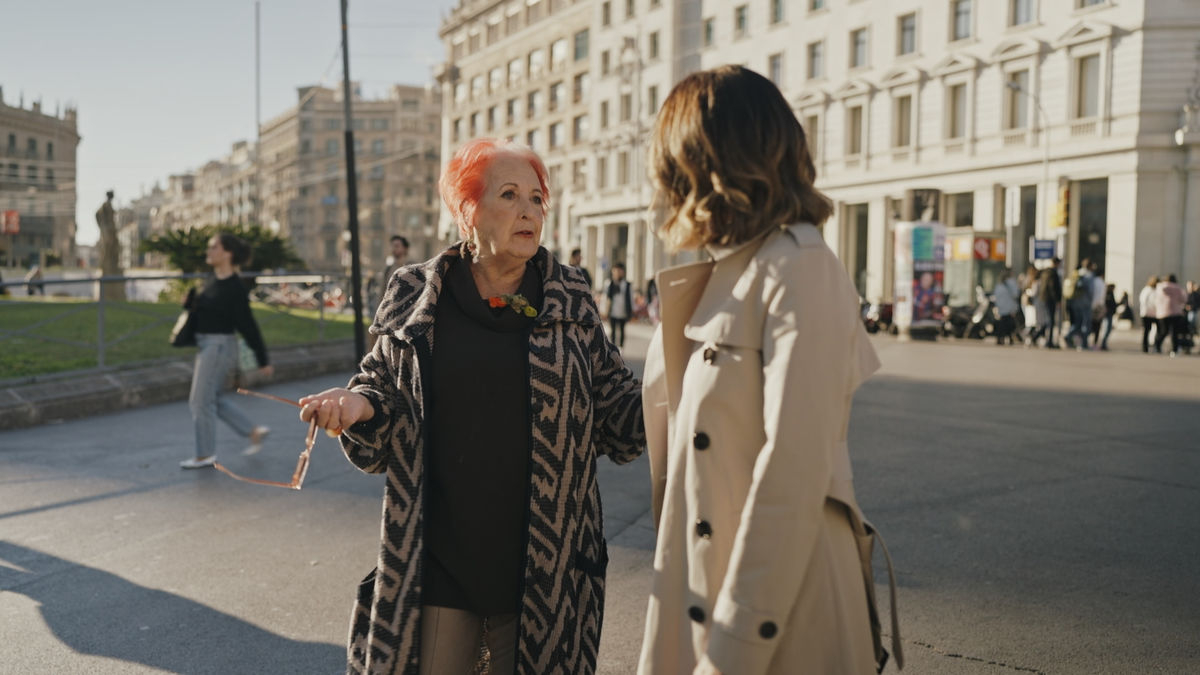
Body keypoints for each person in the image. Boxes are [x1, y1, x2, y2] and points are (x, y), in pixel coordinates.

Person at [297, 138, 645, 675]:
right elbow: (378, 390)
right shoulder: (417, 293)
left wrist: (683, 391)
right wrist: (357, 407)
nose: (529, 210)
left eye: (537, 198)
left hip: (547, 571)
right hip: (437, 559)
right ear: (468, 210)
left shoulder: (570, 296)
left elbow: (618, 412)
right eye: (509, 195)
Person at [638, 65, 898, 675]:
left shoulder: (797, 266)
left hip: (780, 615)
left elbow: (792, 476)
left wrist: (731, 654)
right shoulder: (730, 271)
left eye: (670, 160)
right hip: (708, 590)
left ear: (706, 161)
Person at [180, 233, 273, 469]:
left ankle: (205, 455)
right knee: (212, 398)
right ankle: (253, 431)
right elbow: (207, 311)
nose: (208, 251)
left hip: (219, 347)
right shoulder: (211, 279)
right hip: (206, 345)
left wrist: (263, 359)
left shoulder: (235, 288)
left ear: (227, 253)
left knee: (199, 401)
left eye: (213, 247)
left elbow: (248, 325)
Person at [1154, 273, 1187, 356]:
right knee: (1174, 333)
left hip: (1163, 313)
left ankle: (1157, 346)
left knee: (1163, 331)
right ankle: (1174, 350)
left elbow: (1156, 299)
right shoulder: (1178, 288)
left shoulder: (1160, 287)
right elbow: (1183, 299)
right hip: (1176, 313)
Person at [1063, 258, 1094, 350]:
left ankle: (1069, 335)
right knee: (1085, 324)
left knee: (1077, 323)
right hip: (1085, 303)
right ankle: (1083, 343)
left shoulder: (1077, 273)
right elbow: (1090, 291)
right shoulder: (1089, 276)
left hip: (1075, 303)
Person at [1034, 259, 1063, 348]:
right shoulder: (1053, 273)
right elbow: (1053, 287)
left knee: (1047, 320)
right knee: (1050, 320)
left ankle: (1036, 336)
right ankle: (1049, 341)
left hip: (1043, 298)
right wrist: (1057, 300)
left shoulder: (1045, 273)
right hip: (1050, 299)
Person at [605, 261, 633, 349]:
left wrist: (632, 311)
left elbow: (631, 298)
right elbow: (606, 298)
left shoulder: (627, 284)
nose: (617, 273)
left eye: (619, 270)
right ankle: (613, 348)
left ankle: (621, 348)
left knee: (622, 330)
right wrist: (605, 310)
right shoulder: (609, 283)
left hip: (623, 311)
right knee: (612, 331)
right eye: (615, 271)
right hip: (612, 311)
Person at [992, 268, 1021, 345]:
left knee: (1002, 323)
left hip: (1001, 307)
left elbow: (996, 295)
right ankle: (1010, 338)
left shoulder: (999, 284)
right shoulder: (1012, 282)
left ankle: (1000, 338)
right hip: (1009, 307)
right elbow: (1016, 294)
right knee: (1009, 324)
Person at [1139, 275, 1160, 353]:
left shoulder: (1157, 290)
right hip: (1147, 313)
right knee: (1147, 330)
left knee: (1158, 329)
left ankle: (1156, 345)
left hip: (1155, 313)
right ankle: (1145, 347)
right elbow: (1143, 301)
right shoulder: (1147, 289)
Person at [1096, 283, 1118, 351]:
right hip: (1107, 314)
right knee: (1107, 329)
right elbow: (1108, 304)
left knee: (1108, 329)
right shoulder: (1108, 294)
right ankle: (1103, 344)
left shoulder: (1110, 293)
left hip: (1109, 313)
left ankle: (1104, 343)